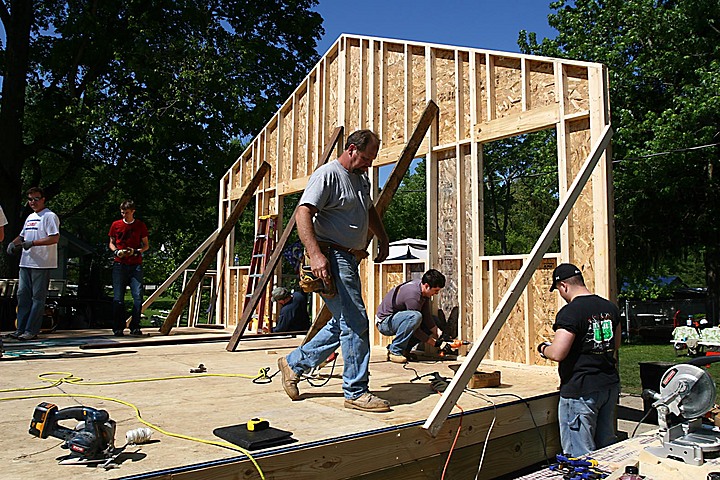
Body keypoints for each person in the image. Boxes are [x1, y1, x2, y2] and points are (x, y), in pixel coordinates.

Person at [277, 129, 391, 413]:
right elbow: (303, 212)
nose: (369, 164)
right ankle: (355, 391)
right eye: (366, 158)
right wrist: (315, 255)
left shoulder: (360, 178)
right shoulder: (328, 174)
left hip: (348, 259)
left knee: (342, 322)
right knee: (356, 321)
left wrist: (383, 238)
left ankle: (294, 364)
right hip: (331, 257)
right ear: (351, 149)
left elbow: (369, 210)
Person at [537, 263, 621, 457]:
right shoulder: (609, 307)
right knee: (606, 450)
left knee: (579, 455)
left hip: (581, 390)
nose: (560, 294)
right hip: (608, 386)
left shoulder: (571, 312)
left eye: (558, 289)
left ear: (564, 285)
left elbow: (558, 353)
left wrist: (543, 349)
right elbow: (615, 344)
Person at [6, 187, 60, 341]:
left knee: (38, 298)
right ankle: (20, 329)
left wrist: (33, 243)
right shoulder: (30, 217)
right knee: (22, 296)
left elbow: (54, 238)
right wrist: (13, 243)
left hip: (41, 264)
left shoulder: (49, 216)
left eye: (36, 199)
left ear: (43, 199)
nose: (33, 202)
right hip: (26, 262)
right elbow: (22, 236)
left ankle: (31, 330)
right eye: (30, 199)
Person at [375, 269, 452, 363]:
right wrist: (435, 343)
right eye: (435, 290)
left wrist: (440, 334)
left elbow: (427, 317)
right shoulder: (413, 296)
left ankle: (404, 350)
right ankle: (395, 351)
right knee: (415, 317)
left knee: (433, 320)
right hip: (385, 323)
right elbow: (415, 329)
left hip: (398, 319)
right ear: (427, 286)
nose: (436, 294)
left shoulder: (423, 290)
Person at [108, 200, 149, 337]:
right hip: (120, 264)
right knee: (118, 298)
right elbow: (111, 243)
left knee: (137, 296)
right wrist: (116, 252)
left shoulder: (140, 225)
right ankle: (118, 327)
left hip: (135, 264)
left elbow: (146, 245)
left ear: (132, 212)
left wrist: (137, 251)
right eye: (122, 212)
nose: (124, 215)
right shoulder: (116, 225)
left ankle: (135, 326)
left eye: (126, 212)